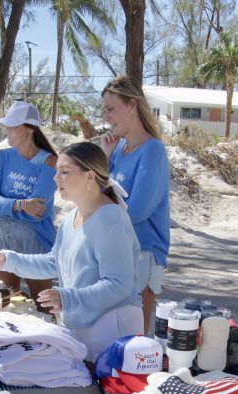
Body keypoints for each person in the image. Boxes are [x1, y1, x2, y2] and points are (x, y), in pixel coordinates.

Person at [0, 141, 142, 362]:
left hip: (112, 330)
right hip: (81, 325)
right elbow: (54, 262)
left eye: (65, 172)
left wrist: (67, 298)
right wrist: (6, 259)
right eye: (56, 172)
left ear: (89, 176)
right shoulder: (72, 217)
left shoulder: (112, 220)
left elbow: (118, 284)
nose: (56, 178)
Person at [100, 75, 171, 335]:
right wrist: (105, 158)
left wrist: (104, 206)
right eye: (104, 111)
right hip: (117, 249)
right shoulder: (117, 150)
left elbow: (139, 210)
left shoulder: (152, 150)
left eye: (111, 109)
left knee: (135, 340)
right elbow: (96, 195)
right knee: (113, 335)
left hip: (143, 252)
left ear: (131, 105)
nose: (106, 117)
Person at [0, 100, 59, 305]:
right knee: (4, 304)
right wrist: (21, 205)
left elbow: (38, 210)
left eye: (13, 126)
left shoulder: (51, 161)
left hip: (35, 239)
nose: (7, 130)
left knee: (44, 305)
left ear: (30, 129)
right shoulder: (0, 157)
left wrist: (6, 205)